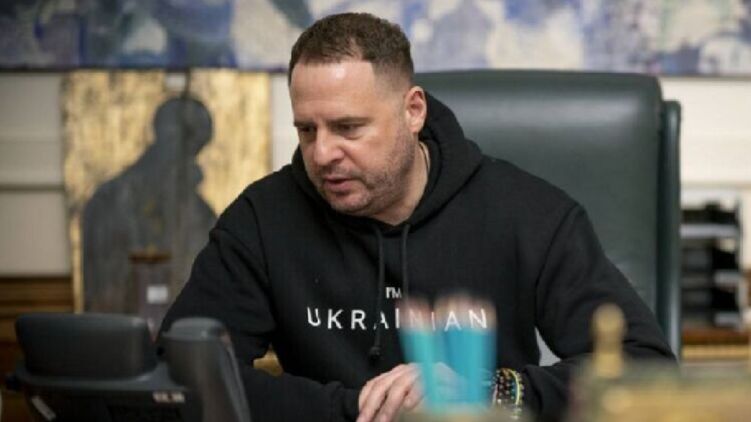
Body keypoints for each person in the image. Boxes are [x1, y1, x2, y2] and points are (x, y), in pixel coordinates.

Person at [160, 12, 674, 422]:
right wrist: (360, 409)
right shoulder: (263, 218)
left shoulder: (530, 214)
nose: (322, 154)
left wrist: (485, 393)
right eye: (307, 130)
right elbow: (181, 372)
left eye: (348, 127)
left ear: (413, 111)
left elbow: (647, 369)